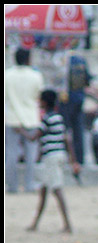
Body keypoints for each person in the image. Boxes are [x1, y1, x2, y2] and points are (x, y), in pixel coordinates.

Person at [27, 89, 80, 234]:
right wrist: (72, 160)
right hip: (57, 155)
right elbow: (66, 139)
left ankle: (68, 225)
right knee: (44, 190)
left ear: (43, 102)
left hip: (51, 157)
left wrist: (21, 131)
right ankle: (35, 223)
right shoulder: (58, 117)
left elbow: (34, 137)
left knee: (57, 189)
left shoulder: (46, 119)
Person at [5, 48, 44, 194]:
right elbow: (38, 95)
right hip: (31, 118)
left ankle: (12, 186)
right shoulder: (36, 76)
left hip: (12, 118)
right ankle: (29, 184)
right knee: (31, 155)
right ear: (28, 59)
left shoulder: (7, 75)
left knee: (11, 154)